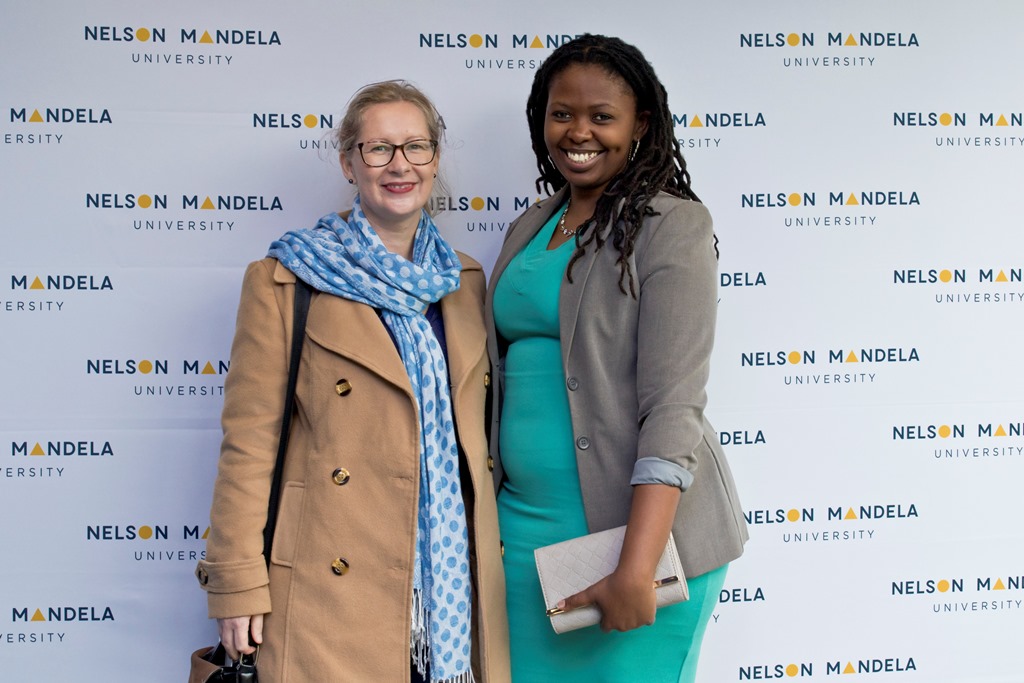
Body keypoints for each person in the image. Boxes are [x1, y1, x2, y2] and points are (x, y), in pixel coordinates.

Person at [196, 80, 510, 683]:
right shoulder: (286, 280)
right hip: (329, 584)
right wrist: (235, 583)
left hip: (451, 588)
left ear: (435, 159)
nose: (400, 165)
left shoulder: (464, 282)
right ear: (348, 162)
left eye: (416, 147)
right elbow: (249, 444)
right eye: (379, 149)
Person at [483, 35, 748, 682]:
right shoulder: (531, 225)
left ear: (640, 125)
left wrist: (637, 564)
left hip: (637, 539)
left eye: (602, 116)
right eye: (561, 113)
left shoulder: (670, 225)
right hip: (522, 535)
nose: (578, 132)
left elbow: (673, 406)